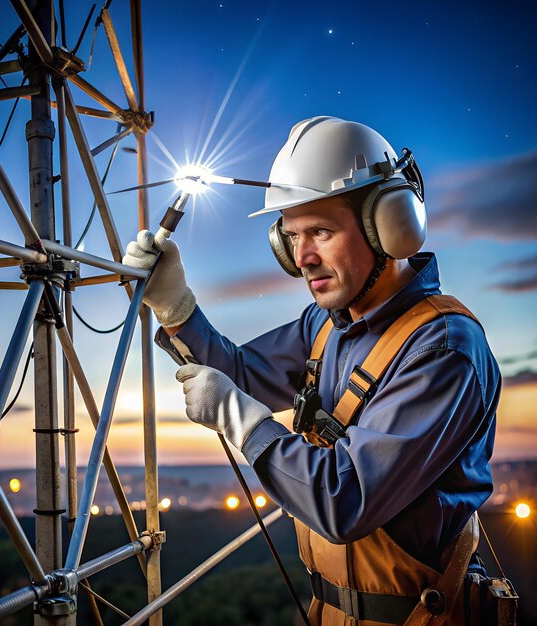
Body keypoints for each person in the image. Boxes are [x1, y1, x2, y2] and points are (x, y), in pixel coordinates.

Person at [123, 116, 500, 625]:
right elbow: (237, 372)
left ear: (389, 225)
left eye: (321, 231)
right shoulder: (324, 327)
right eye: (291, 235)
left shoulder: (443, 349)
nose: (302, 257)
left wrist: (243, 420)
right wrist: (175, 308)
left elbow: (344, 500)